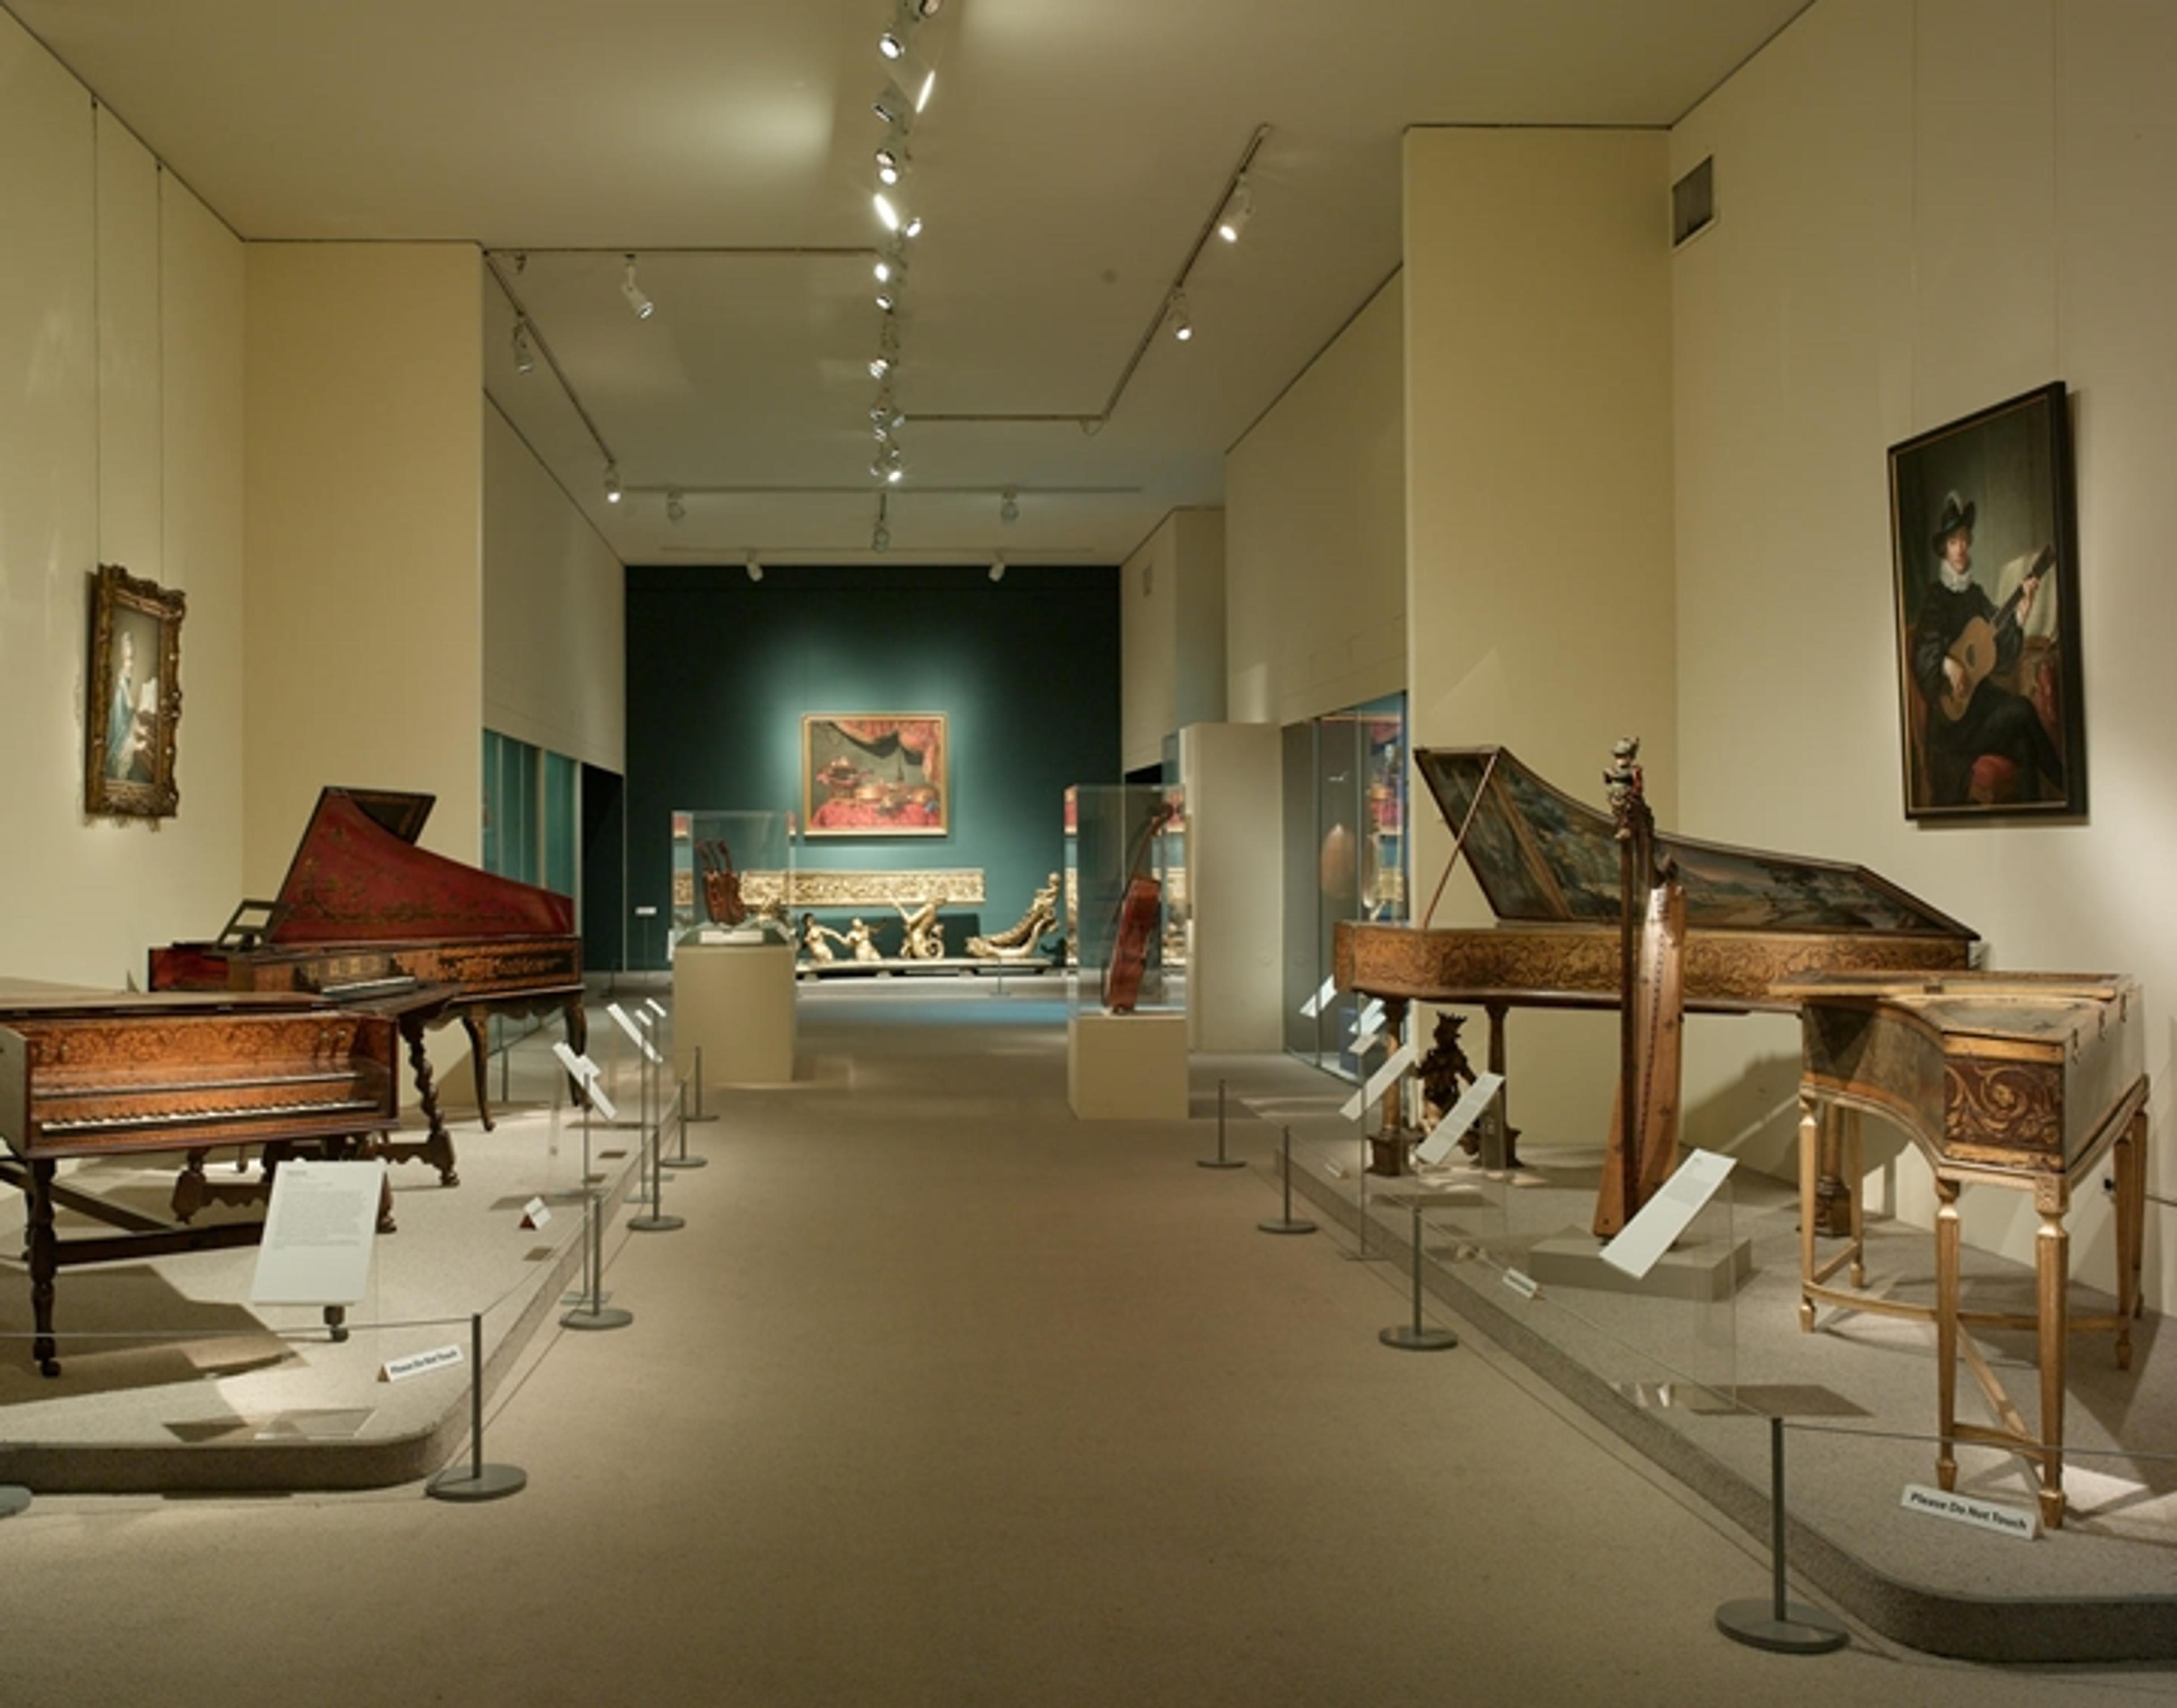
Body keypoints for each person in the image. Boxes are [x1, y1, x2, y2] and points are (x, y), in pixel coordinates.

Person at [1908, 491, 2065, 807]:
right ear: (1944, 549)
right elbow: (1922, 653)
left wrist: (2022, 612)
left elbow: (2001, 652)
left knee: (2023, 743)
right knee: (2021, 709)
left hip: (1980, 708)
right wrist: (1948, 666)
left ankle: (2041, 815)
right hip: (1953, 723)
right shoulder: (1935, 598)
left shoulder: (1977, 596)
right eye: (1954, 542)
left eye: (1965, 540)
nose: (1961, 548)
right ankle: (2067, 784)